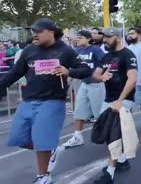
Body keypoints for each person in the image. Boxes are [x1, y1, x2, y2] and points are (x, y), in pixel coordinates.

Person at [0, 18, 91, 184]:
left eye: (38, 31)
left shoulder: (66, 51)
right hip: (28, 100)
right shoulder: (29, 50)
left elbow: (86, 70)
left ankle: (43, 176)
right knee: (18, 139)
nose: (34, 34)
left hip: (52, 101)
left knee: (42, 141)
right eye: (32, 31)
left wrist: (68, 71)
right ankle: (51, 150)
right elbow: (15, 73)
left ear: (50, 31)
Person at [90, 27, 138, 184]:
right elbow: (95, 75)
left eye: (109, 37)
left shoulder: (128, 55)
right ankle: (122, 160)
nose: (105, 40)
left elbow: (132, 80)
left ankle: (109, 173)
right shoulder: (106, 57)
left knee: (113, 134)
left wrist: (120, 100)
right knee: (104, 131)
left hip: (123, 99)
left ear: (118, 37)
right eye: (104, 37)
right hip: (109, 99)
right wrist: (101, 76)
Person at [63, 30, 106, 148]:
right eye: (77, 37)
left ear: (88, 38)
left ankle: (109, 135)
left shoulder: (96, 50)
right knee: (79, 111)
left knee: (99, 113)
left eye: (80, 37)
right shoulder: (78, 51)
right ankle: (77, 136)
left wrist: (100, 75)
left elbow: (106, 62)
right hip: (84, 83)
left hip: (96, 84)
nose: (78, 39)